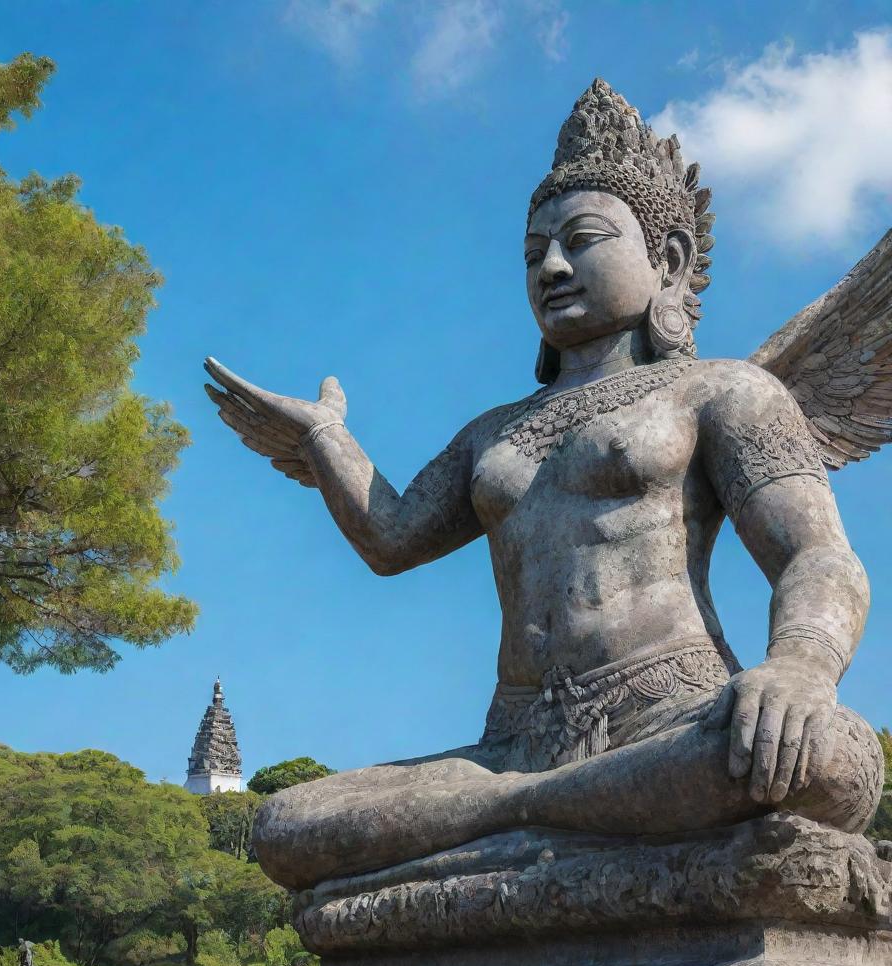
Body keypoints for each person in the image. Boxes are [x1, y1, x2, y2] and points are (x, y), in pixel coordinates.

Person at [204, 79, 885, 892]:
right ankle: (544, 809)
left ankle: (502, 825)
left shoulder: (724, 392)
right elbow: (390, 539)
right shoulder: (493, 431)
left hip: (675, 718)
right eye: (533, 254)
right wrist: (326, 439)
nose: (552, 267)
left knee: (827, 760)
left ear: (666, 260)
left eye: (581, 240)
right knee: (285, 824)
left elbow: (819, 556)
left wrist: (799, 669)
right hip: (512, 742)